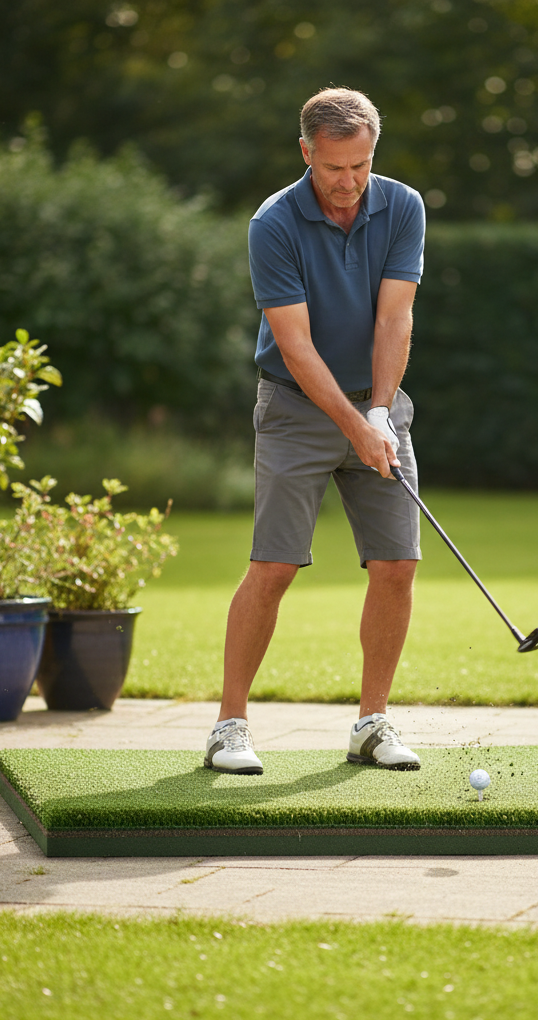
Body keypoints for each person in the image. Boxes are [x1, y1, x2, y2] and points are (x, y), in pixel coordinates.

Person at [204, 87, 426, 775]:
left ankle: (371, 724)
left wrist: (379, 415)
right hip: (296, 409)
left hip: (378, 407)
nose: (349, 181)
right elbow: (295, 345)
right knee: (273, 565)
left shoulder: (403, 206)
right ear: (306, 152)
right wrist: (354, 426)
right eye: (335, 167)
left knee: (397, 563)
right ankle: (229, 727)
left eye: (361, 165)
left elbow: (394, 318)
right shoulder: (273, 222)